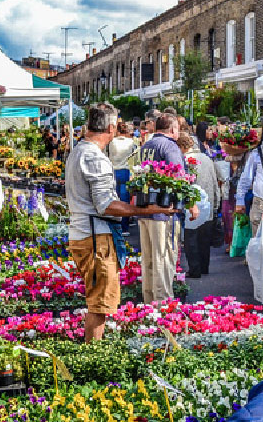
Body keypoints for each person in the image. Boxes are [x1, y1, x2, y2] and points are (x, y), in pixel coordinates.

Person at [67, 103, 177, 341]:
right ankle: (93, 357)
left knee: (99, 301)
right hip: (96, 237)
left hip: (84, 232)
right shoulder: (94, 157)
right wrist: (147, 210)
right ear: (110, 126)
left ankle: (92, 352)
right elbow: (106, 205)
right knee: (100, 305)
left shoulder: (78, 150)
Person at [138, 113, 199, 302]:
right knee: (163, 259)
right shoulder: (170, 146)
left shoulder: (146, 145)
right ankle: (163, 306)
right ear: (173, 129)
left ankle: (149, 304)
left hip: (145, 209)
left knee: (148, 261)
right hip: (164, 211)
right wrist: (192, 205)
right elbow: (179, 178)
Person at [177, 132, 220, 278]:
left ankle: (194, 269)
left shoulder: (185, 160)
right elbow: (215, 182)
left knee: (191, 238)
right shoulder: (207, 159)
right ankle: (204, 266)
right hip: (208, 202)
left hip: (193, 204)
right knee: (204, 238)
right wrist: (216, 203)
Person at [107, 121, 137, 234]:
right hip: (126, 171)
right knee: (124, 200)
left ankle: (114, 226)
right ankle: (124, 227)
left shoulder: (111, 142)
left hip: (113, 170)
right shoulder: (132, 143)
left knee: (113, 199)